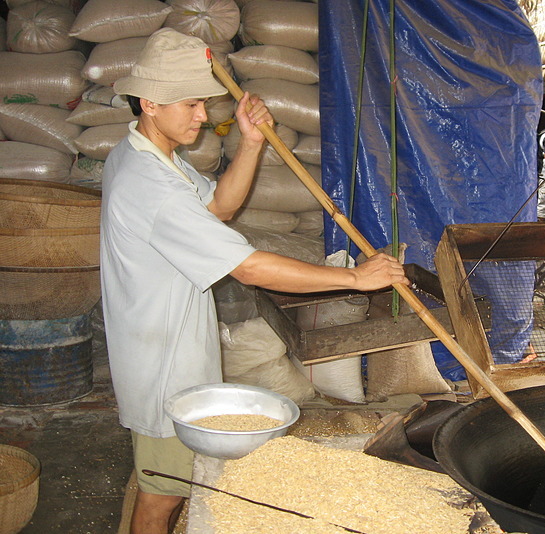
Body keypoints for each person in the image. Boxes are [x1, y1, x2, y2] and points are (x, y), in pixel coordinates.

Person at [100, 29, 408, 534]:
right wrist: (354, 276)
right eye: (193, 104)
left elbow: (219, 208)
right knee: (162, 495)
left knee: (170, 484)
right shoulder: (147, 184)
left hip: (170, 349)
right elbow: (247, 266)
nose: (203, 116)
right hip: (163, 367)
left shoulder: (149, 158)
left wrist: (250, 141)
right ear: (150, 103)